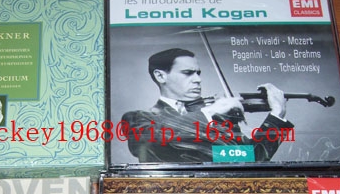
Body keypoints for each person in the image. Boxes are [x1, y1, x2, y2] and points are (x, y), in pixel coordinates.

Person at [122, 48, 293, 163]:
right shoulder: (139, 118)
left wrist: (276, 116)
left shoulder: (218, 121)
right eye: (188, 73)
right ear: (160, 76)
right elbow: (150, 140)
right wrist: (210, 111)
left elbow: (251, 157)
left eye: (198, 73)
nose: (198, 79)